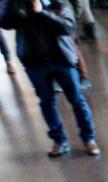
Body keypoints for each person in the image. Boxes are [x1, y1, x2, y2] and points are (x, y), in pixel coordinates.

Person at [1, 0, 101, 157]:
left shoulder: (57, 2)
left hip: (61, 58)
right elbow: (5, 23)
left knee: (76, 99)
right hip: (34, 61)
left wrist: (42, 12)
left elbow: (67, 27)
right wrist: (17, 7)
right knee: (46, 101)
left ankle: (89, 138)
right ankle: (59, 140)